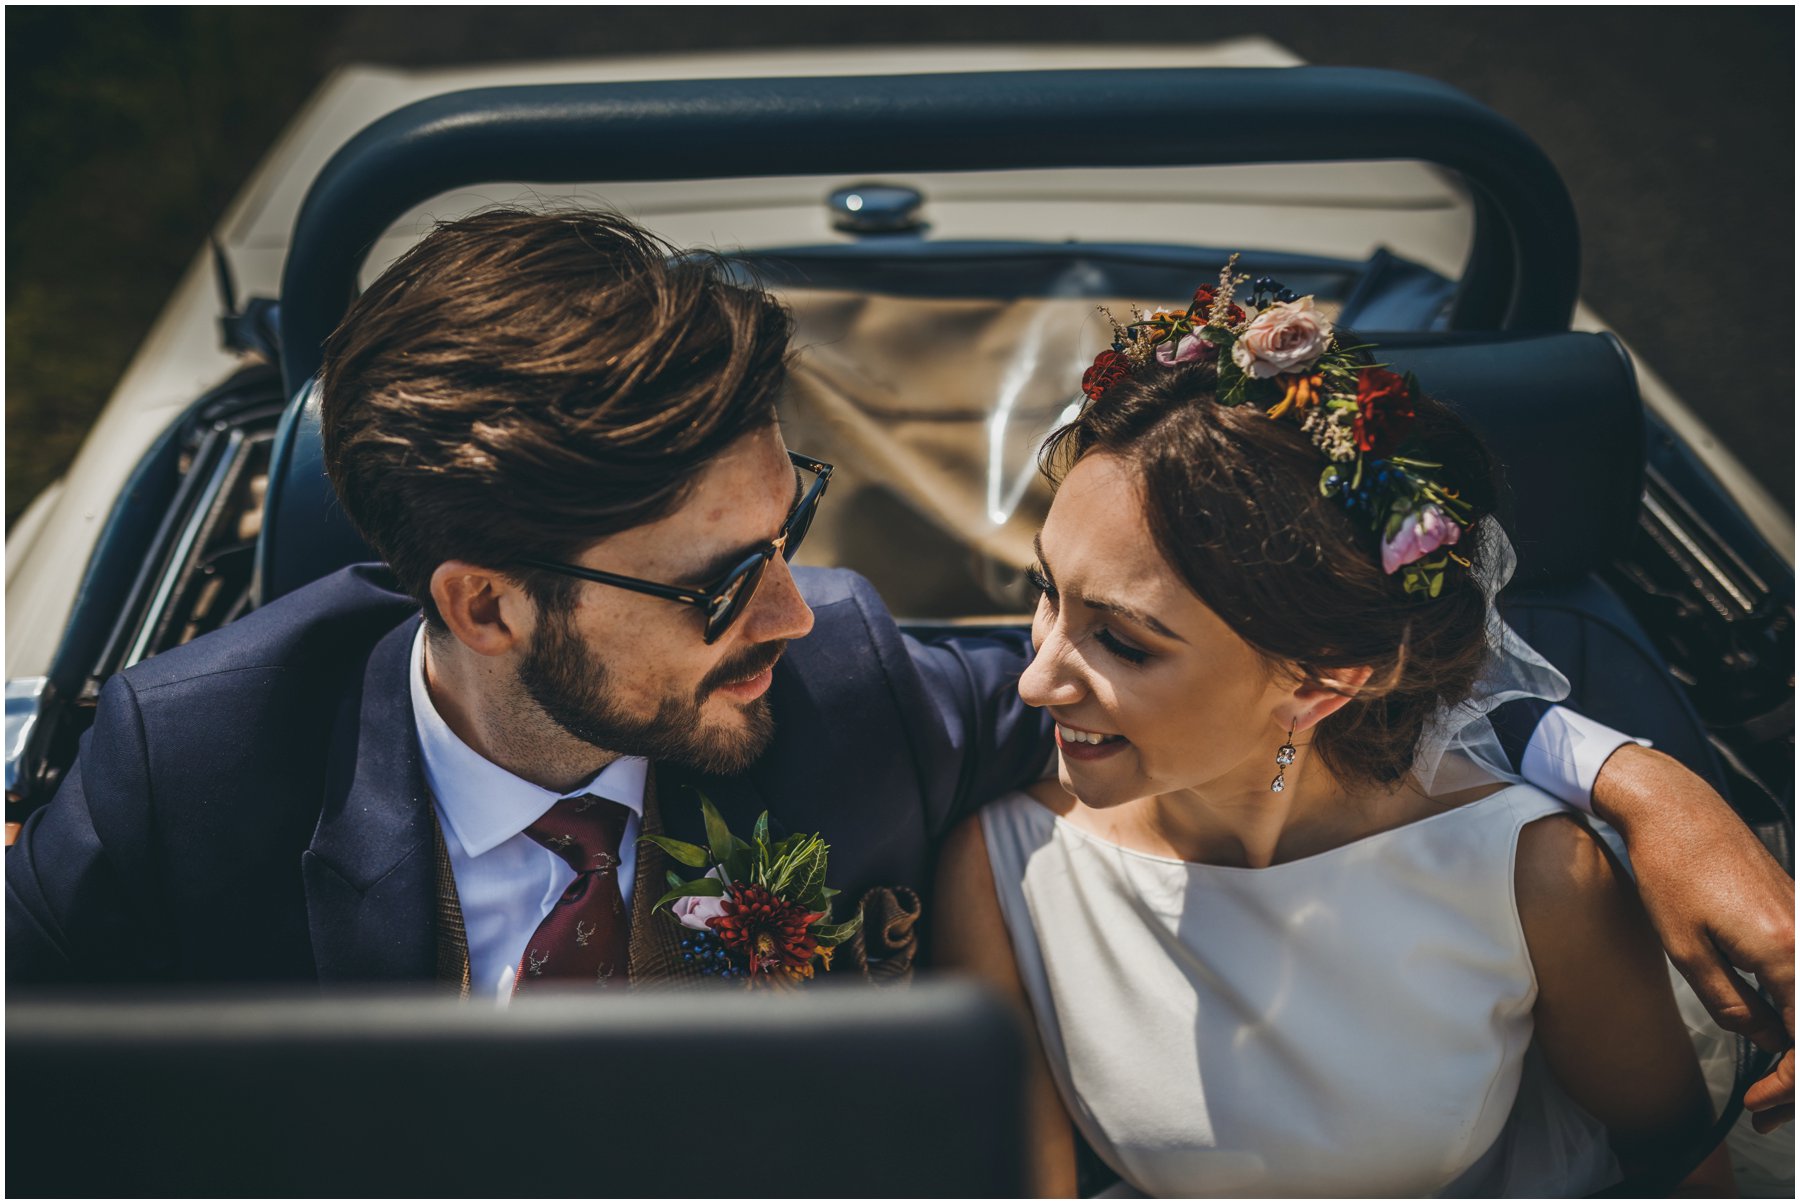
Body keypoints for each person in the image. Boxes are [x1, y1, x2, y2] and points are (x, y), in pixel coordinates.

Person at [4, 213, 1790, 1138]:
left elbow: (1233, 689)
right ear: (483, 603)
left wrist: (1637, 778)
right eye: (720, 581)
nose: (795, 607)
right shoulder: (195, 767)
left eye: (795, 523)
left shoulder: (841, 672)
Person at [934, 280, 1772, 1195]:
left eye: (1124, 642)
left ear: (1320, 681)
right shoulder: (1001, 865)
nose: (1034, 679)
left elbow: (1680, 1172)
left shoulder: (1534, 877)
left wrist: (1649, 786)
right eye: (1047, 593)